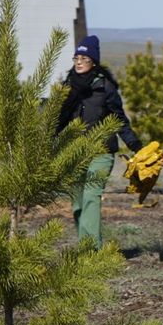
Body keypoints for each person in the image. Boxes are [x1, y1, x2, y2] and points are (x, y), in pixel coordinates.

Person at [57, 35, 143, 246]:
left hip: (101, 151)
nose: (78, 61)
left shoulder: (105, 88)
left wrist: (135, 145)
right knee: (77, 202)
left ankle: (92, 251)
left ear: (93, 61)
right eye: (76, 57)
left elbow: (119, 120)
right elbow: (57, 120)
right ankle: (84, 246)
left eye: (83, 58)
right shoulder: (67, 87)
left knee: (91, 198)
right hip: (74, 152)